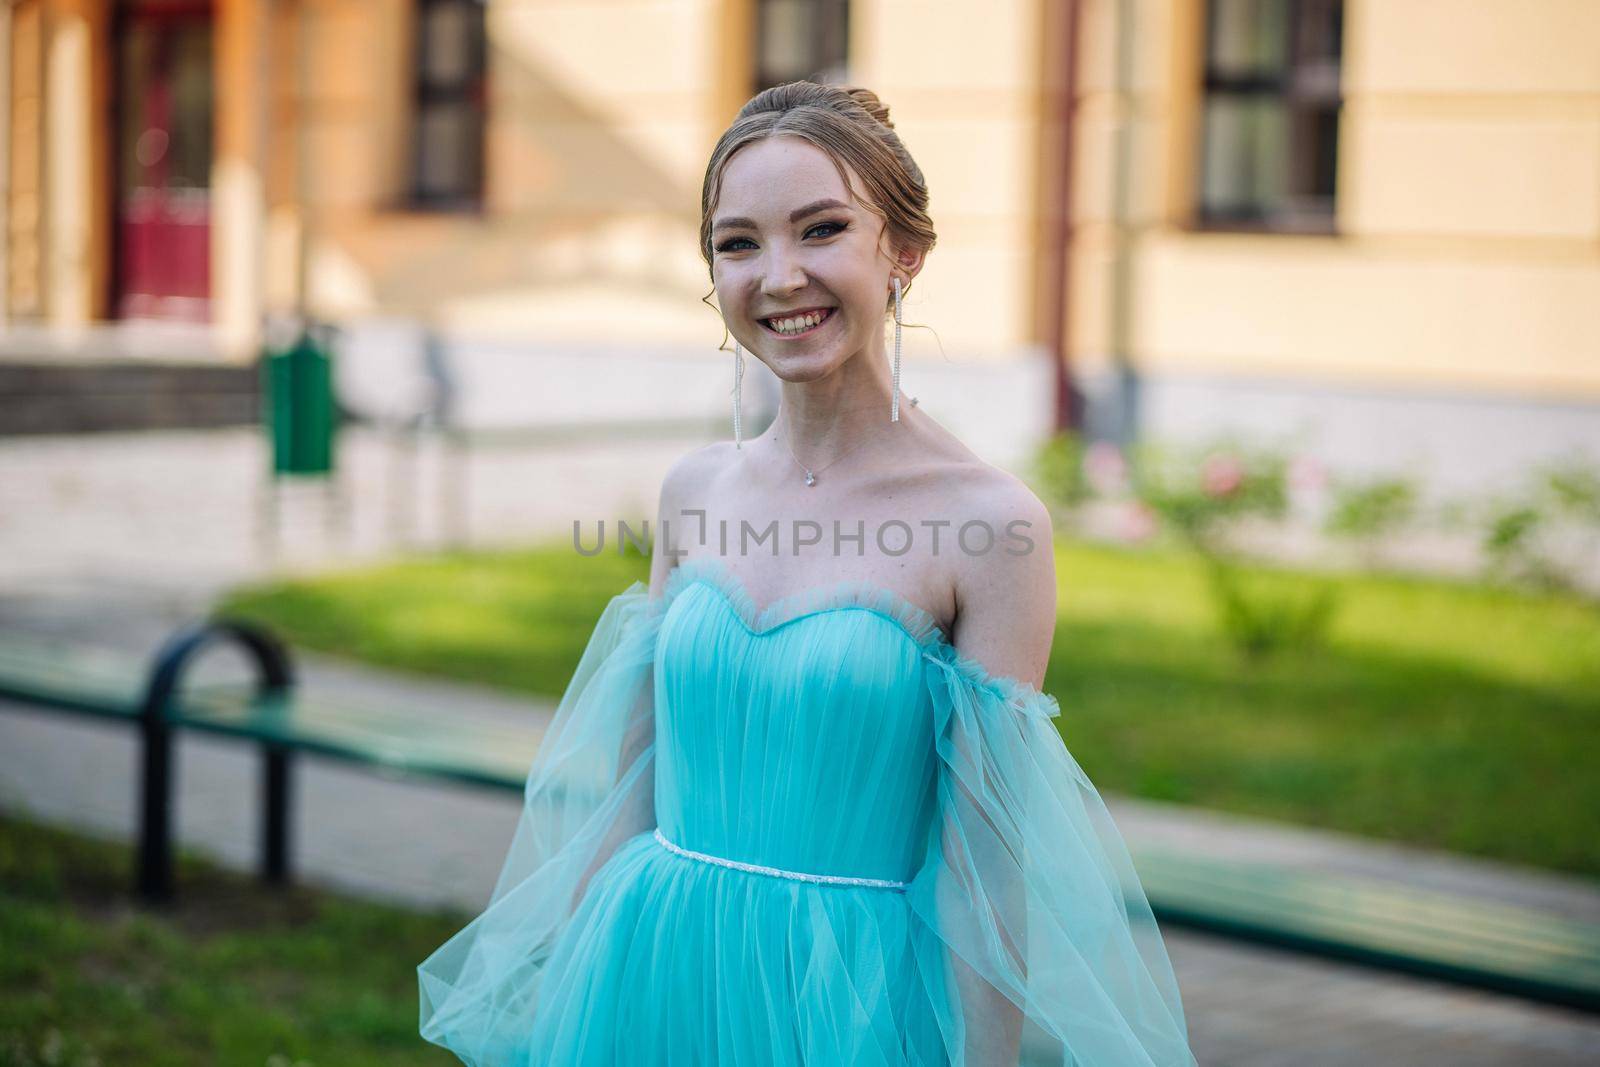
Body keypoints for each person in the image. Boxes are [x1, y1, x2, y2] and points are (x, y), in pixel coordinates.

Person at [418, 80, 1198, 1067]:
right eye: (738, 243)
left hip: (850, 1002)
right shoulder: (692, 489)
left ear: (902, 253)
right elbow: (629, 784)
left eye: (820, 230)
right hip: (645, 969)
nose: (778, 276)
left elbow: (987, 860)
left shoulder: (990, 524)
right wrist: (574, 983)